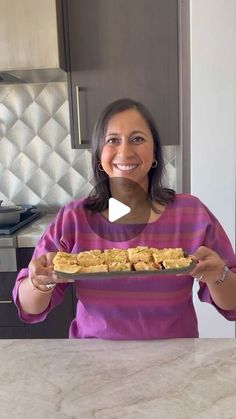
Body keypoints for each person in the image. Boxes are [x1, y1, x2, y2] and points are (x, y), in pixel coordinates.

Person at [13, 98, 236, 339]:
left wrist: (219, 276)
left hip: (175, 361)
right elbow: (29, 308)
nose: (125, 152)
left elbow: (232, 305)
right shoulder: (74, 218)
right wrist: (39, 281)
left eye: (137, 139)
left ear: (154, 153)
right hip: (93, 362)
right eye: (112, 140)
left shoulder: (191, 214)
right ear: (99, 156)